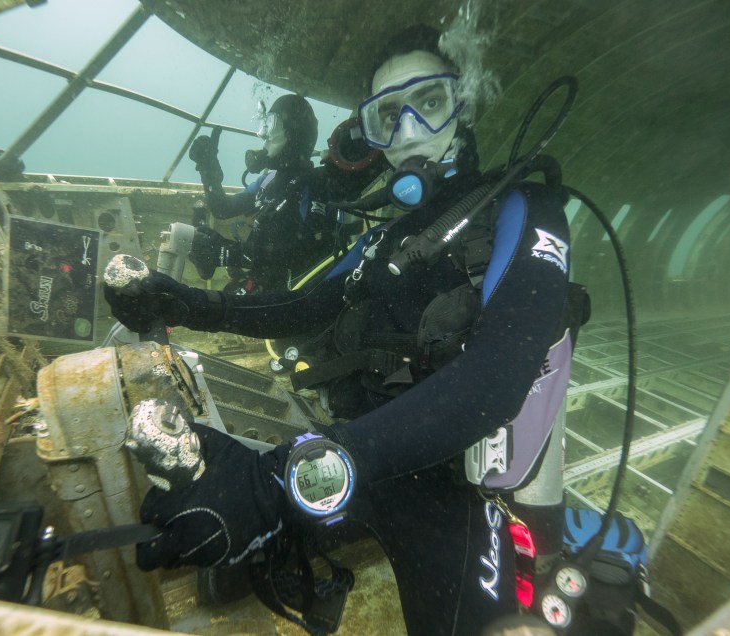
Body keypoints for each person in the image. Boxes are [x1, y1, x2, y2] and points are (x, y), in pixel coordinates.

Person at [105, 25, 585, 635]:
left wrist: (284, 479)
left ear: (461, 106)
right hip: (364, 450)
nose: (408, 130)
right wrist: (186, 302)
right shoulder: (384, 239)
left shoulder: (527, 212)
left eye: (428, 102)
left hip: (458, 488)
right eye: (388, 115)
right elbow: (302, 308)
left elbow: (495, 380)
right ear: (373, 135)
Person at [185, 94, 338, 293]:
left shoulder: (314, 183)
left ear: (294, 133)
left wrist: (232, 254)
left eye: (272, 125)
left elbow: (308, 252)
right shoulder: (268, 180)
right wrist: (209, 171)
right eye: (263, 124)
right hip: (263, 283)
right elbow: (223, 209)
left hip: (292, 295)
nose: (264, 134)